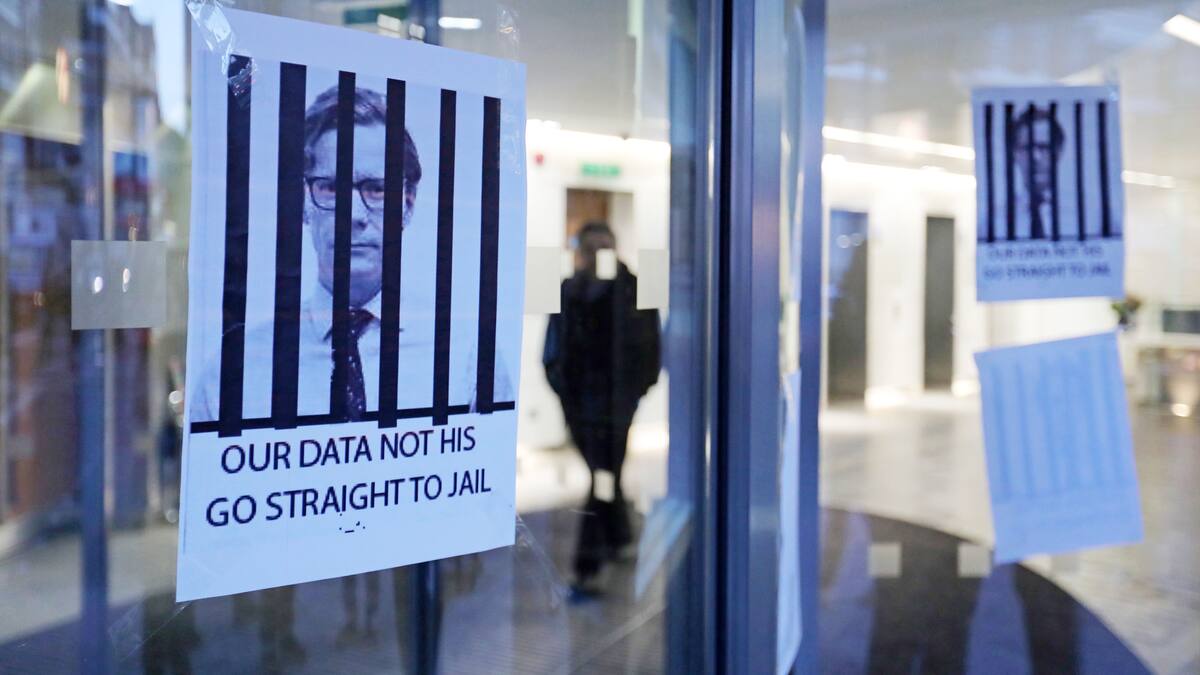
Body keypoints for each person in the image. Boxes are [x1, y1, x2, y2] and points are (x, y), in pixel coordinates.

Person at [194, 84, 510, 653]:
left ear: (408, 204)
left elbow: (482, 505)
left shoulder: (466, 354)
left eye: (377, 189)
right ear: (302, 201)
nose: (354, 215)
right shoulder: (238, 367)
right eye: (331, 189)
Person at [543, 222, 661, 593]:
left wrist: (637, 390)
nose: (597, 254)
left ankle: (589, 562)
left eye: (604, 246)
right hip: (582, 405)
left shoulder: (636, 287)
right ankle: (619, 535)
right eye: (591, 247)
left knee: (602, 475)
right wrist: (565, 393)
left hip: (616, 403)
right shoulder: (568, 290)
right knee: (607, 471)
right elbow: (552, 349)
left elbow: (652, 345)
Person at [1011, 105, 1065, 240]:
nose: (1035, 157)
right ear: (1015, 153)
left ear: (1059, 152)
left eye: (1044, 147)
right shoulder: (993, 220)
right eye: (1027, 148)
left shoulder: (1093, 217)